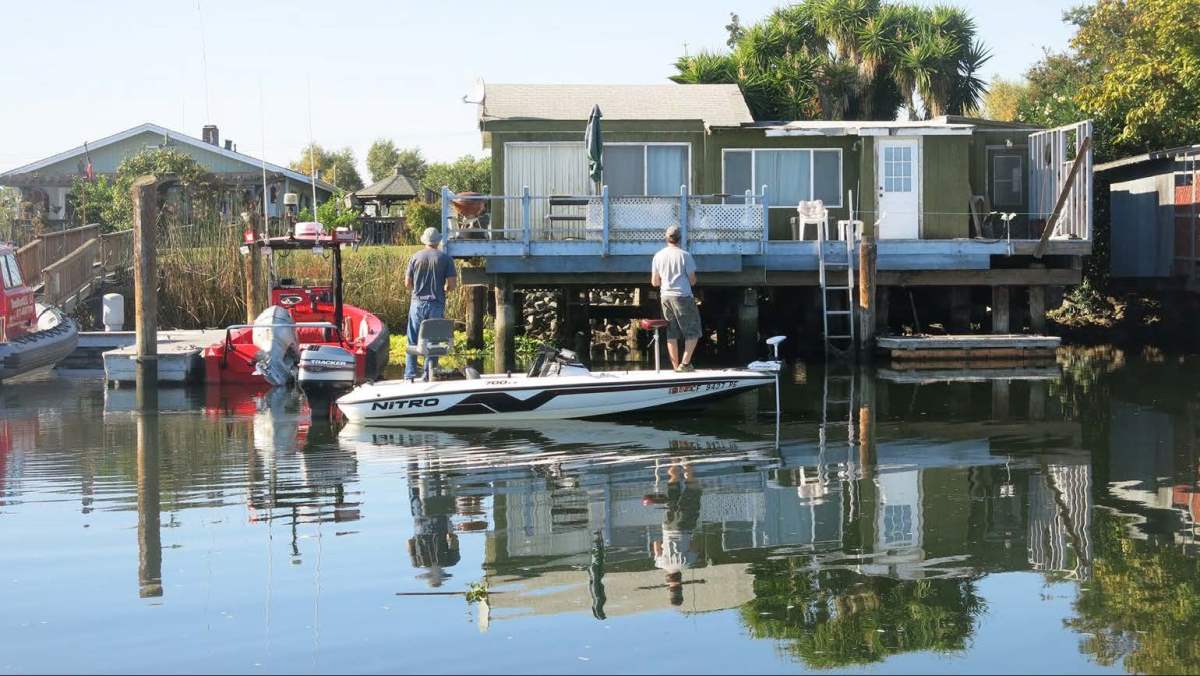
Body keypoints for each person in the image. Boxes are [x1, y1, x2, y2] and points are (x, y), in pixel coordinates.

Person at [404, 227, 457, 379]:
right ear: (438, 241)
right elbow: (451, 285)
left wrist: (417, 290)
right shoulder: (445, 259)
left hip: (417, 303)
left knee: (412, 340)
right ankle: (429, 374)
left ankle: (410, 375)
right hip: (436, 303)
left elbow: (407, 283)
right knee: (433, 341)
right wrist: (445, 289)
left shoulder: (415, 257)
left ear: (424, 241)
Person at [650, 225, 701, 372]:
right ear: (680, 238)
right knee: (693, 331)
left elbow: (655, 282)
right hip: (682, 296)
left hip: (665, 296)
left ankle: (675, 367)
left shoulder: (658, 256)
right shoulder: (685, 255)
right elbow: (692, 280)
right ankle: (685, 364)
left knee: (671, 333)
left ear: (666, 238)